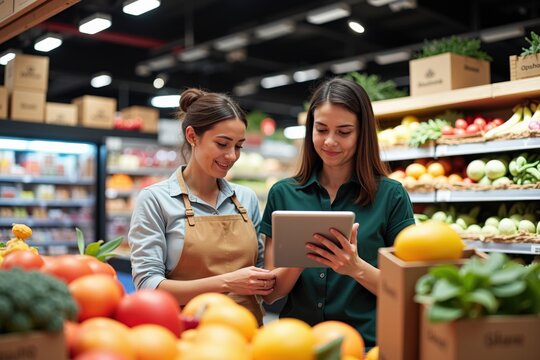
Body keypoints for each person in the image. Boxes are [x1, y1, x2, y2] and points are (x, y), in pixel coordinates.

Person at [261, 78, 415, 347]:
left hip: (366, 345)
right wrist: (301, 256)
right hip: (295, 345)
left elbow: (406, 290)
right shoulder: (283, 194)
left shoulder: (391, 196)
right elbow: (272, 294)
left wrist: (355, 268)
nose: (330, 141)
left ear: (362, 133)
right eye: (321, 130)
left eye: (344, 132)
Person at [128, 88, 275, 324]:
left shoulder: (246, 199)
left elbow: (261, 276)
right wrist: (227, 282)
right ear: (192, 136)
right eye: (222, 144)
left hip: (246, 335)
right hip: (186, 335)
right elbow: (148, 286)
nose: (231, 156)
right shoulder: (156, 200)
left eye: (238, 146)